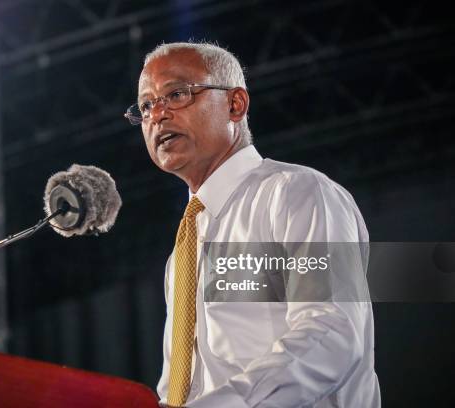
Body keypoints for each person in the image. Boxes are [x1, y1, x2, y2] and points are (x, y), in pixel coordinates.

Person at [125, 41, 381, 407]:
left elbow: (331, 334)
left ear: (235, 104)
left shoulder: (297, 195)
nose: (157, 115)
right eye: (146, 106)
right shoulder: (181, 253)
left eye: (176, 94)